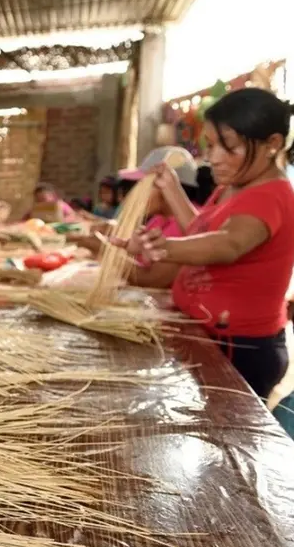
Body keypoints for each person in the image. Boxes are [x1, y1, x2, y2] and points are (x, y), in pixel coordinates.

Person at [116, 87, 294, 401]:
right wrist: (171, 189)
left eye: (229, 147)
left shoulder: (273, 195)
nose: (212, 157)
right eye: (210, 146)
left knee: (229, 438)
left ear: (273, 144)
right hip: (208, 334)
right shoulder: (232, 187)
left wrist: (163, 248)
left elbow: (228, 244)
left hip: (240, 348)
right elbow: (200, 228)